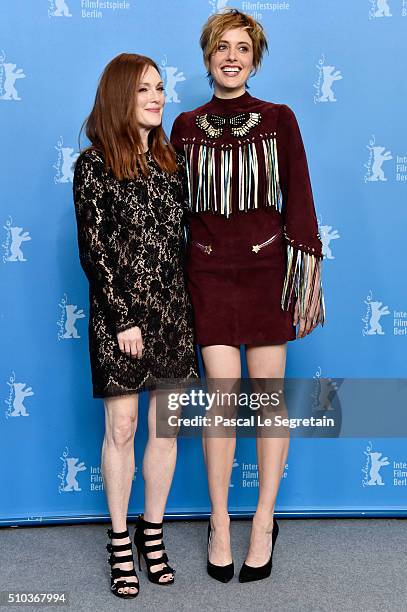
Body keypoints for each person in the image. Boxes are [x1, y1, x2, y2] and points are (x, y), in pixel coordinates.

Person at [170, 9, 325, 583]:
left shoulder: (279, 119)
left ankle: (263, 519)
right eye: (221, 47)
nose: (231, 57)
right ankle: (218, 521)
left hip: (265, 274)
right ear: (207, 57)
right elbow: (171, 213)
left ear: (254, 59)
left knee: (268, 400)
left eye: (242, 48)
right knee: (219, 400)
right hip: (207, 273)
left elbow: (300, 198)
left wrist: (303, 272)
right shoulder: (184, 125)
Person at [73, 53, 199, 599]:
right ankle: (120, 541)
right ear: (120, 96)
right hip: (119, 318)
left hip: (173, 317)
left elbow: (186, 246)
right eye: (144, 88)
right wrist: (123, 319)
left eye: (160, 87)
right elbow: (94, 250)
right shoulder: (94, 165)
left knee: (164, 431)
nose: (157, 97)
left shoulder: (173, 165)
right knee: (122, 428)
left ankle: (154, 533)